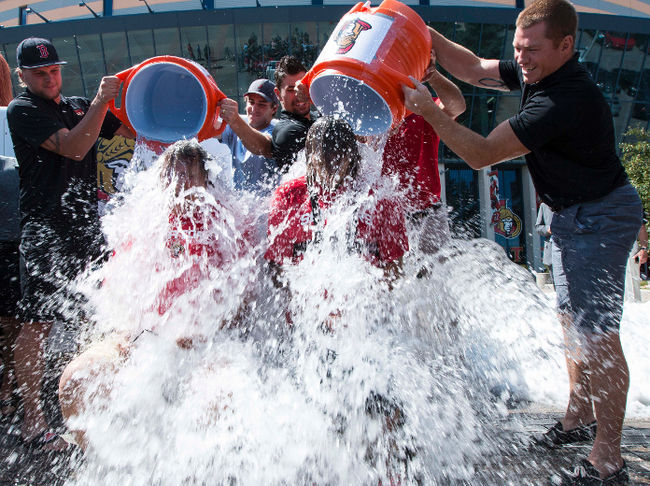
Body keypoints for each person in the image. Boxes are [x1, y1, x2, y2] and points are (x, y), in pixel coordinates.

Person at [402, 0, 643, 483]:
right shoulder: (538, 75)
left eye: (531, 50)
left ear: (566, 46)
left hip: (598, 217)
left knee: (597, 335)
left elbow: (481, 153)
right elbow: (472, 68)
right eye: (517, 48)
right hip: (571, 214)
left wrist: (428, 111)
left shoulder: (562, 99)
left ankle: (608, 458)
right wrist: (421, 34)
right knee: (571, 323)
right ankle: (579, 418)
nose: (522, 58)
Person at [58, 140, 253, 449]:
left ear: (206, 180)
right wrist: (133, 335)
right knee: (78, 380)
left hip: (208, 346)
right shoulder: (143, 222)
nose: (181, 183)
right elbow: (117, 295)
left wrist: (200, 331)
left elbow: (240, 307)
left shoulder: (227, 226)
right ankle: (114, 467)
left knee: (218, 394)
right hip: (143, 341)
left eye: (189, 175)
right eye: (173, 175)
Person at [6, 37, 134, 452]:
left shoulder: (77, 104)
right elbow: (78, 147)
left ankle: (90, 406)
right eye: (40, 73)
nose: (50, 78)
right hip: (45, 230)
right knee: (37, 323)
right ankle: (33, 422)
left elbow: (134, 128)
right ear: (21, 76)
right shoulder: (22, 109)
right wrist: (100, 102)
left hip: (84, 227)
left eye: (54, 70)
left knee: (97, 315)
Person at [265, 116, 408, 277]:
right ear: (310, 155)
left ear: (353, 154)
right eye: (323, 152)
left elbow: (394, 270)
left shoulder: (380, 197)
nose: (331, 160)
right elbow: (278, 268)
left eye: (337, 151)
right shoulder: (289, 196)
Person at [381, 55, 465, 254]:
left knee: (435, 278)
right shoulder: (373, 115)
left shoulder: (424, 107)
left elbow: (457, 106)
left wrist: (433, 75)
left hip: (427, 214)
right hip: (387, 216)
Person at [219, 55, 317, 173]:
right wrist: (234, 120)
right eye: (291, 90)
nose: (299, 93)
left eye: (303, 86)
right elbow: (265, 146)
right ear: (278, 94)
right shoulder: (286, 132)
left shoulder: (318, 116)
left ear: (274, 108)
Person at [218, 79, 280, 193]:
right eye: (251, 102)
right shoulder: (236, 129)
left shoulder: (278, 132)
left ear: (274, 108)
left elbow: (262, 146)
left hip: (268, 208)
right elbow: (210, 128)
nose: (254, 108)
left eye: (261, 104)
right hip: (240, 207)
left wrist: (235, 120)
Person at [534, 201, 554, 278]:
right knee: (557, 284)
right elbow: (538, 227)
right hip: (551, 249)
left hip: (570, 249)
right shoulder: (544, 205)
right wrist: (547, 229)